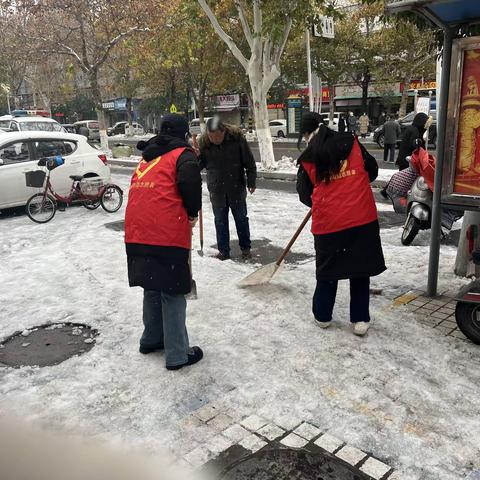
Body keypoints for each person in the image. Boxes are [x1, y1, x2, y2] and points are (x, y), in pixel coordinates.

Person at [124, 114, 203, 370]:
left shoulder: (149, 155)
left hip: (137, 233)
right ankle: (178, 354)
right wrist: (192, 213)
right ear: (183, 134)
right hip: (165, 234)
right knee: (172, 291)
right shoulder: (183, 155)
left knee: (152, 285)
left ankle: (151, 339)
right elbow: (190, 184)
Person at [296, 112, 386, 336]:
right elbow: (372, 171)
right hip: (361, 218)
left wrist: (326, 200)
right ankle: (360, 319)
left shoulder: (309, 156)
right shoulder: (352, 142)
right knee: (360, 268)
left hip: (330, 223)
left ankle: (323, 316)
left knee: (329, 270)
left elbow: (304, 194)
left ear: (307, 133)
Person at [198, 116, 257, 261]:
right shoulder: (205, 144)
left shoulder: (236, 140)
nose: (215, 139)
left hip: (236, 187)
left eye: (218, 135)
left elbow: (249, 161)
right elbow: (199, 166)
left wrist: (251, 181)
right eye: (211, 136)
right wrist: (194, 159)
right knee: (220, 221)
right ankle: (223, 251)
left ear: (224, 131)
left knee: (241, 219)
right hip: (216, 189)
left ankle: (246, 249)